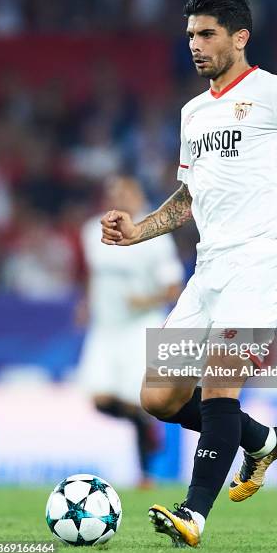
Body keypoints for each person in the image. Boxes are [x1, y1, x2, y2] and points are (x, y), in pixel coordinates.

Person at [100, 0, 277, 547]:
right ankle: (263, 441)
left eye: (207, 34)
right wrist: (138, 230)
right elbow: (190, 197)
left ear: (239, 37)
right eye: (191, 34)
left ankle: (193, 515)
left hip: (264, 259)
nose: (195, 45)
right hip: (210, 268)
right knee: (159, 398)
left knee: (222, 377)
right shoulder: (193, 112)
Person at [78, 175, 183, 487]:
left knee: (139, 400)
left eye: (125, 192)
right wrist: (87, 302)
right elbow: (95, 274)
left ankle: (145, 474)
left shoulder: (155, 237)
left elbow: (173, 288)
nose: (119, 198)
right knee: (99, 399)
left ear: (138, 196)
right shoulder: (90, 231)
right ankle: (147, 428)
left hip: (141, 326)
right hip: (105, 328)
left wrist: (144, 299)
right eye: (113, 193)